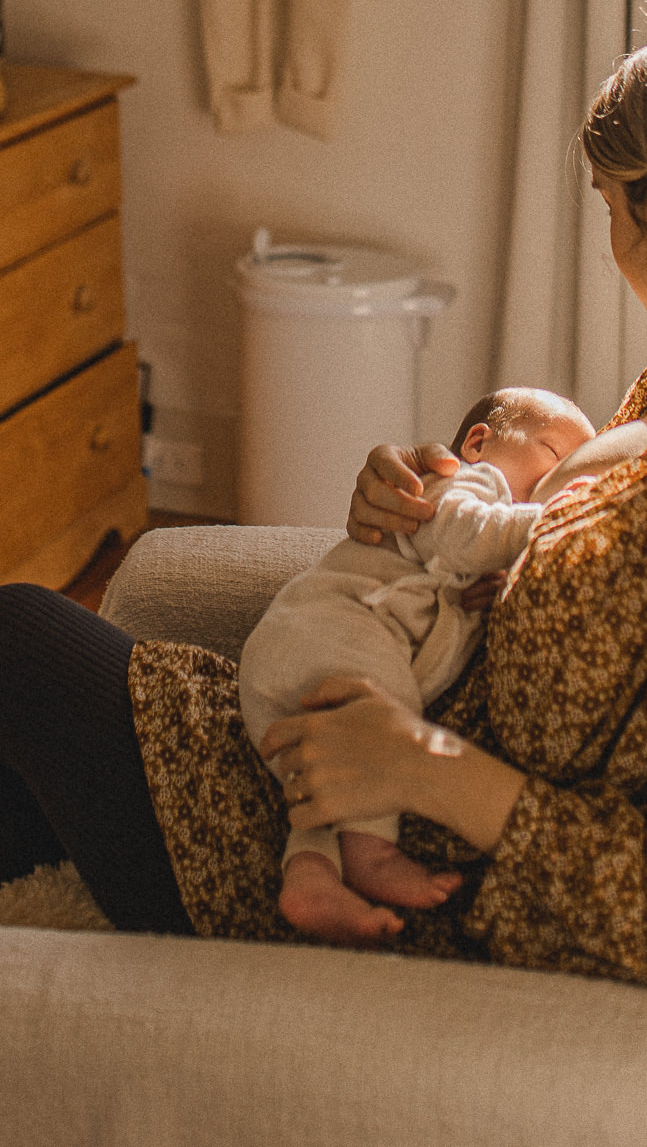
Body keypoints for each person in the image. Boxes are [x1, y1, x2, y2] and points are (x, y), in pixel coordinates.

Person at [0, 16, 647, 988]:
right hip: (394, 714)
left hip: (415, 852)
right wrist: (433, 503)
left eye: (609, 211)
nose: (615, 250)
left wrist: (424, 766)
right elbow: (598, 540)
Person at [239, 387, 609, 943]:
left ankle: (310, 876)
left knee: (317, 782)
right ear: (480, 442)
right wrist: (562, 518)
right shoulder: (460, 483)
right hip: (330, 629)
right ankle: (373, 854)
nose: (555, 481)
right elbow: (468, 539)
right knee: (377, 716)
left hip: (292, 669)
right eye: (555, 457)